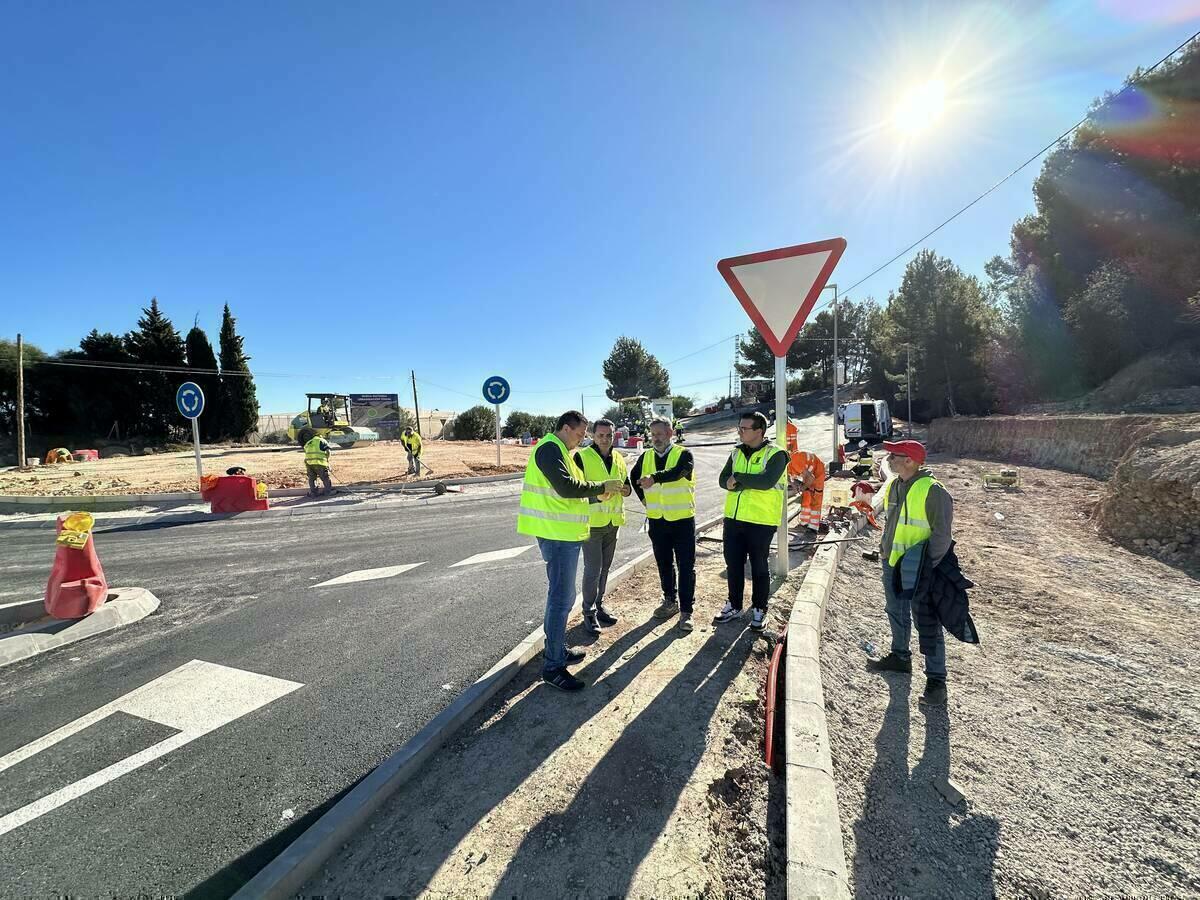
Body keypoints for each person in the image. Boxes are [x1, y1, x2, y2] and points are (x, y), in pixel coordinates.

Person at [517, 410, 624, 693]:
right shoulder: (550, 449)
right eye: (579, 434)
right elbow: (565, 488)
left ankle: (557, 649)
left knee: (562, 597)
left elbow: (573, 491)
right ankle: (553, 667)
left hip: (564, 534)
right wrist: (600, 486)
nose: (582, 439)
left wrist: (595, 493)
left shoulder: (562, 450)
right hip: (556, 535)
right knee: (561, 598)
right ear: (566, 428)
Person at [868, 439, 954, 706]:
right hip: (892, 562)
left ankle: (936, 681)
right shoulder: (894, 485)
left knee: (926, 621)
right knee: (896, 611)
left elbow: (942, 536)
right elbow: (892, 523)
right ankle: (900, 657)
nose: (888, 459)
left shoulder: (934, 491)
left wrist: (928, 567)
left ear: (910, 461)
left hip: (920, 569)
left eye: (894, 456)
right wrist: (883, 550)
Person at [716, 411, 790, 631]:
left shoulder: (777, 454)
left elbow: (766, 481)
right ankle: (735, 605)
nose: (740, 431)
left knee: (759, 566)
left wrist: (738, 478)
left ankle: (759, 609)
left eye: (744, 428)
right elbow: (722, 480)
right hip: (734, 519)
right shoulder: (736, 453)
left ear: (759, 431)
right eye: (739, 427)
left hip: (761, 521)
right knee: (734, 564)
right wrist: (736, 481)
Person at [631, 417, 697, 631]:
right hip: (657, 521)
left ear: (670, 433)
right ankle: (670, 600)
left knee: (686, 566)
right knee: (664, 563)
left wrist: (655, 478)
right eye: (653, 434)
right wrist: (643, 499)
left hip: (682, 521)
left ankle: (687, 611)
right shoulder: (646, 457)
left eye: (660, 434)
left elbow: (680, 472)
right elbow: (634, 478)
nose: (656, 438)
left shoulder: (683, 454)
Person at [573, 418, 631, 634]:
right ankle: (588, 612)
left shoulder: (618, 458)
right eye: (600, 435)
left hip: (612, 522)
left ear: (614, 435)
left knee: (605, 568)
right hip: (592, 524)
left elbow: (626, 484)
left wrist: (626, 490)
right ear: (592, 436)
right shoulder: (581, 457)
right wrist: (598, 494)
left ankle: (599, 606)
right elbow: (576, 491)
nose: (605, 439)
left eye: (608, 435)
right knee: (593, 569)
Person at [788, 448, 826, 538]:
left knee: (815, 501)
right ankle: (804, 524)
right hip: (809, 473)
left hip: (818, 473)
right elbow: (788, 478)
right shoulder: (788, 465)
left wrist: (803, 487)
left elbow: (811, 478)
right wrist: (794, 485)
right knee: (806, 498)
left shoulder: (795, 462)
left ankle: (813, 528)